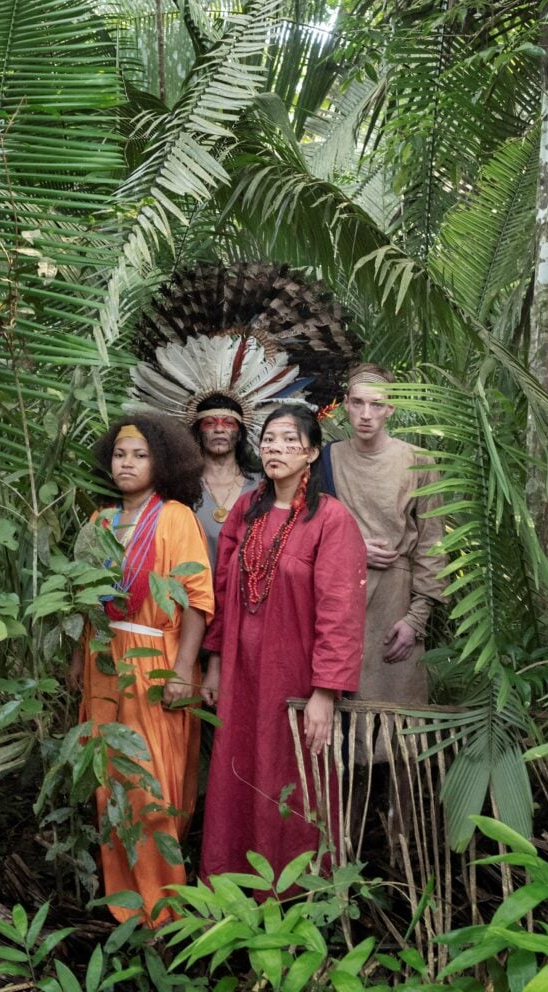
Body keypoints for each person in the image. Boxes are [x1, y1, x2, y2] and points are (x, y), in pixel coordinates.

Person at [199, 405, 366, 885]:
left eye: (290, 441)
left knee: (289, 780)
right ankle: (230, 887)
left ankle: (297, 896)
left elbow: (341, 613)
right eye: (269, 440)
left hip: (294, 677)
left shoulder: (331, 520)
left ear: (312, 452)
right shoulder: (245, 511)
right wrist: (213, 666)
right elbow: (224, 592)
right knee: (236, 774)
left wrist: (325, 693)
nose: (276, 448)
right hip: (240, 674)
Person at [70, 413, 214, 926]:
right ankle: (124, 907)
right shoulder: (98, 523)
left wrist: (182, 671)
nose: (126, 463)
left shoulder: (176, 518)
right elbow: (85, 602)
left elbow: (198, 602)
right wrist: (76, 663)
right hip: (102, 663)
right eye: (119, 454)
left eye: (140, 455)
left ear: (163, 462)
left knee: (153, 788)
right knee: (110, 783)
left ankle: (165, 911)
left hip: (157, 662)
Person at [321, 364, 445, 751]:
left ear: (391, 408)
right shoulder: (325, 459)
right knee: (336, 717)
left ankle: (404, 811)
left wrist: (416, 619)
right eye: (357, 403)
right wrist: (352, 547)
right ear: (345, 405)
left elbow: (432, 543)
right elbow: (304, 529)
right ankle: (341, 810)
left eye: (377, 405)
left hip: (394, 598)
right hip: (336, 600)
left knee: (399, 724)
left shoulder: (419, 462)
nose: (366, 414)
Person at [191, 393, 260, 571]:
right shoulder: (182, 488)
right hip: (196, 594)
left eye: (228, 423)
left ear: (239, 434)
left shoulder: (262, 486)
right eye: (210, 423)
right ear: (199, 432)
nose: (219, 429)